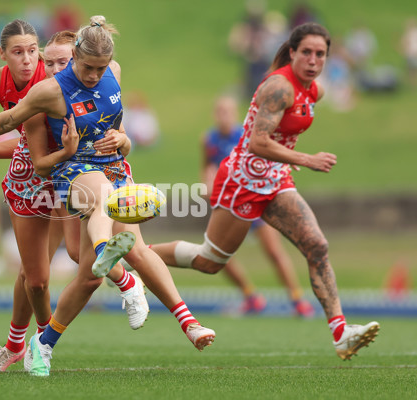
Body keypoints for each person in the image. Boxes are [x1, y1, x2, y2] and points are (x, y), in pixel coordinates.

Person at [0, 15, 216, 377]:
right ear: (75, 59)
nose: (93, 75)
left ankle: (186, 324)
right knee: (90, 225)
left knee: (100, 269)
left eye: (99, 68)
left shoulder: (112, 71)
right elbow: (10, 124)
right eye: (87, 68)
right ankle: (107, 255)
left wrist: (125, 140)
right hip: (76, 170)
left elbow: (120, 128)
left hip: (115, 166)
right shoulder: (49, 91)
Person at [0, 23, 148, 373]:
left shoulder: (58, 77)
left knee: (77, 253)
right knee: (35, 278)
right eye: (17, 52)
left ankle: (52, 336)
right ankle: (24, 344)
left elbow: (105, 119)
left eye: (32, 51)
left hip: (69, 174)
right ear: (3, 54)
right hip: (31, 180)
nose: (28, 60)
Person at [151, 23, 379, 360]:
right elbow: (257, 141)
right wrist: (305, 158)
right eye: (307, 53)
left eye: (321, 54)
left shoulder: (315, 90)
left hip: (276, 182)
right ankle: (141, 255)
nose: (314, 60)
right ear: (292, 53)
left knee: (317, 245)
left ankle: (341, 333)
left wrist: (288, 158)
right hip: (242, 182)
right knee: (209, 261)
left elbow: (284, 133)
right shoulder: (278, 87)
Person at [159, 95, 315, 317]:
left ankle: (298, 301)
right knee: (215, 255)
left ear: (235, 114)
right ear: (215, 114)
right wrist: (206, 184)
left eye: (228, 112)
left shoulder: (248, 135)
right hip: (229, 203)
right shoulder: (209, 139)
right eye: (220, 111)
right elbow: (207, 166)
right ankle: (251, 297)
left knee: (273, 250)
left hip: (255, 201)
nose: (224, 116)